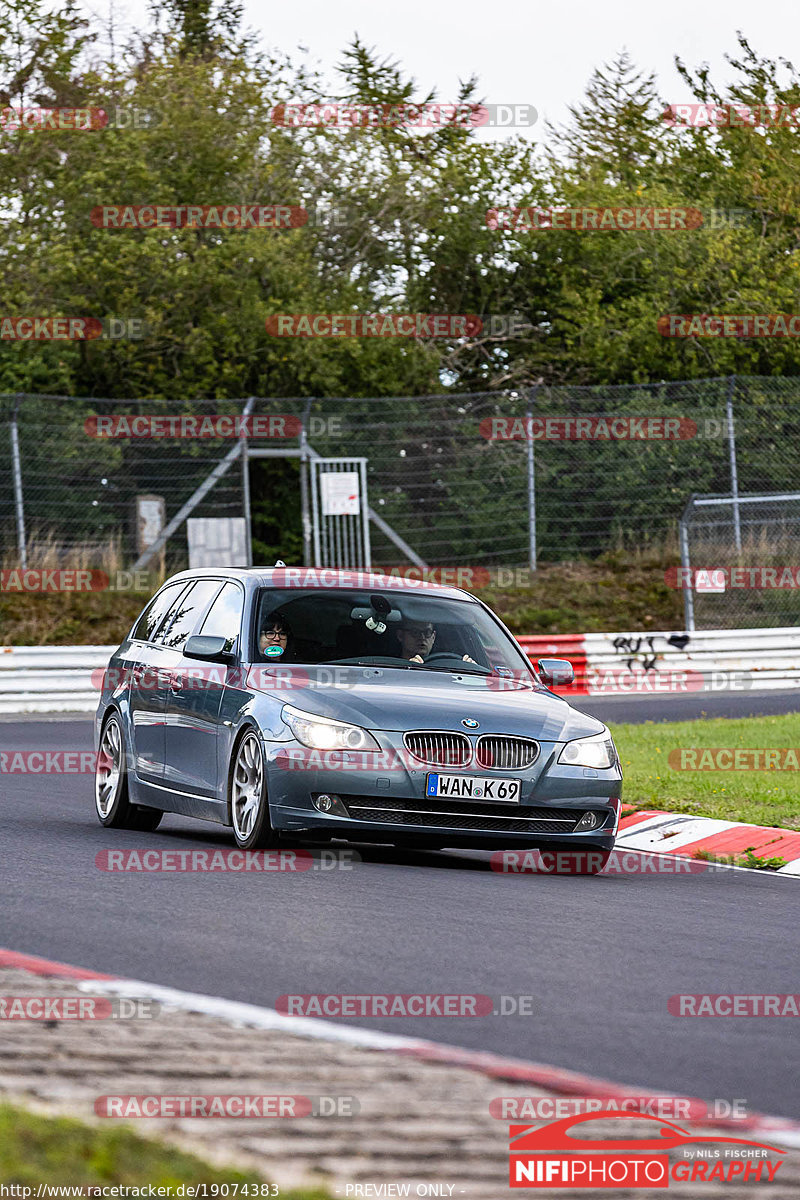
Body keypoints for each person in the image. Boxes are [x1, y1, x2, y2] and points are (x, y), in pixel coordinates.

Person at [397, 618, 475, 665]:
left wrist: (471, 670)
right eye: (415, 632)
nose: (422, 637)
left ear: (433, 637)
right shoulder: (390, 670)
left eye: (427, 632)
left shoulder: (450, 670)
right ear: (400, 635)